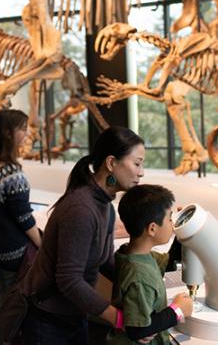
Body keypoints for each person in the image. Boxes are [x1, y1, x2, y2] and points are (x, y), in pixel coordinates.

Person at [21, 126, 145, 345]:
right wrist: (118, 318)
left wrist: (140, 282)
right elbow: (68, 279)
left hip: (72, 314)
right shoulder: (81, 209)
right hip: (48, 320)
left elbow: (104, 259)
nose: (141, 172)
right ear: (111, 163)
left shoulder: (105, 206)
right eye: (137, 163)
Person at [0, 109, 42, 345]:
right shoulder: (10, 171)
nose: (26, 134)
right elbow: (24, 218)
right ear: (7, 133)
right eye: (22, 129)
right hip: (14, 253)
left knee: (5, 301)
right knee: (11, 305)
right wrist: (42, 244)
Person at [107, 184, 193, 344]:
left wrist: (182, 230)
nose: (172, 223)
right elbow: (138, 330)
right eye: (169, 219)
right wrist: (178, 310)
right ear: (152, 229)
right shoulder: (139, 276)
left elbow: (169, 265)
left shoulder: (132, 255)